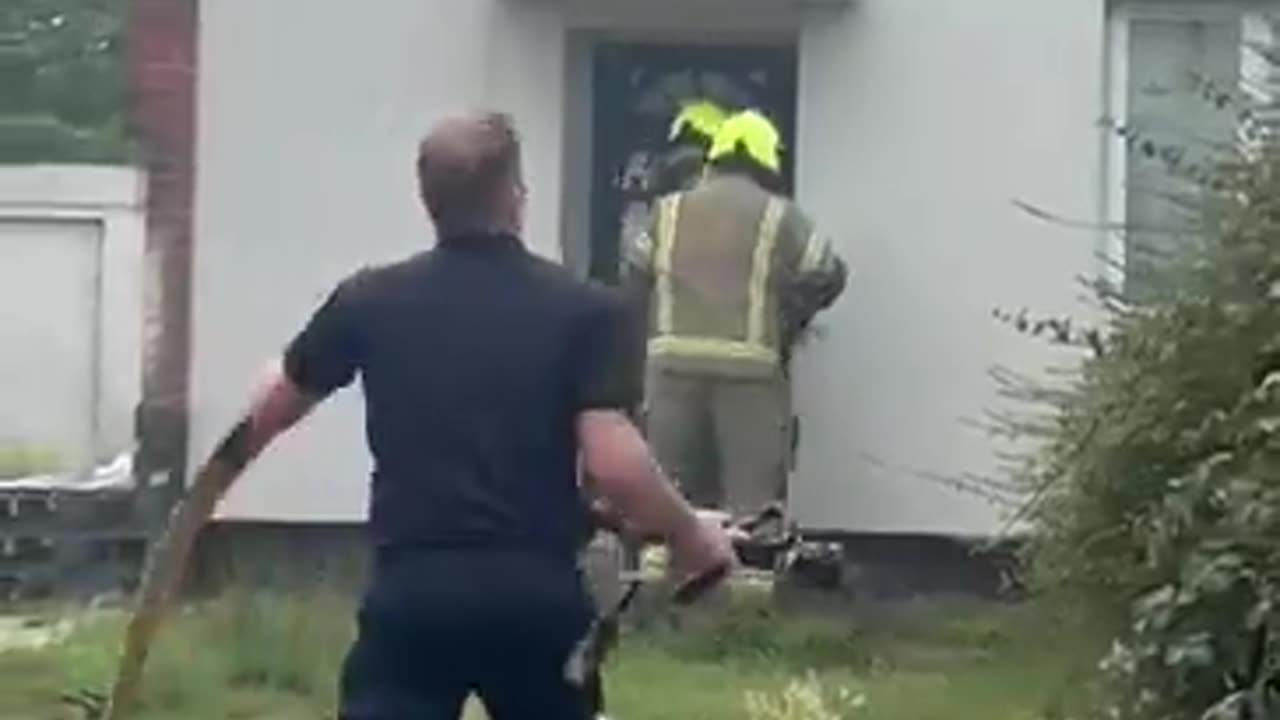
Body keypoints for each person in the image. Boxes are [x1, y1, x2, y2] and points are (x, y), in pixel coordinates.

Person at [101, 111, 735, 720]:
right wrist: (691, 537)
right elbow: (614, 463)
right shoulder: (586, 311)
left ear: (427, 198)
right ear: (516, 195)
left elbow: (272, 406)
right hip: (532, 594)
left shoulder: (370, 300)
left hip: (414, 593)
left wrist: (201, 502)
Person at [621, 108, 848, 520]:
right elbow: (829, 273)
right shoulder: (779, 214)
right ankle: (746, 580)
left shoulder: (668, 210)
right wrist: (788, 319)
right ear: (766, 161)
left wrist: (640, 353)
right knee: (751, 505)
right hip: (750, 375)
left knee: (668, 495)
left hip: (671, 371)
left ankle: (660, 577)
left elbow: (634, 282)